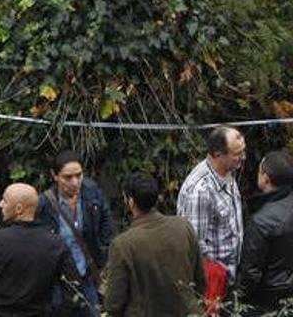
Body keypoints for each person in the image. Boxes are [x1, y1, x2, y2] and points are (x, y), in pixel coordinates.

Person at [0, 183, 83, 316]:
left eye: (5, 200)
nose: (0, 204)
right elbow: (74, 291)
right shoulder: (56, 244)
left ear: (19, 208)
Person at [103, 173, 206, 316]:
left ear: (130, 201)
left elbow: (114, 303)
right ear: (157, 197)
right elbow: (201, 281)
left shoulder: (122, 244)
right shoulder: (183, 226)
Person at [36, 151, 112, 317]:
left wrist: (103, 250)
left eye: (79, 175)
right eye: (67, 177)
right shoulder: (44, 204)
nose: (75, 182)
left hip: (87, 273)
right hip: (58, 278)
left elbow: (106, 222)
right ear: (55, 176)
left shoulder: (92, 194)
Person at [176, 125, 245, 308]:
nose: (242, 157)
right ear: (217, 154)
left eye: (243, 151)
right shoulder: (200, 191)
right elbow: (195, 243)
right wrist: (217, 274)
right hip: (211, 284)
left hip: (229, 278)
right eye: (237, 153)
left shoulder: (228, 171)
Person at [236, 151, 293, 314]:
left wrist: (235, 299)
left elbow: (251, 274)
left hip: (266, 300)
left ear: (266, 177)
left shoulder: (261, 222)